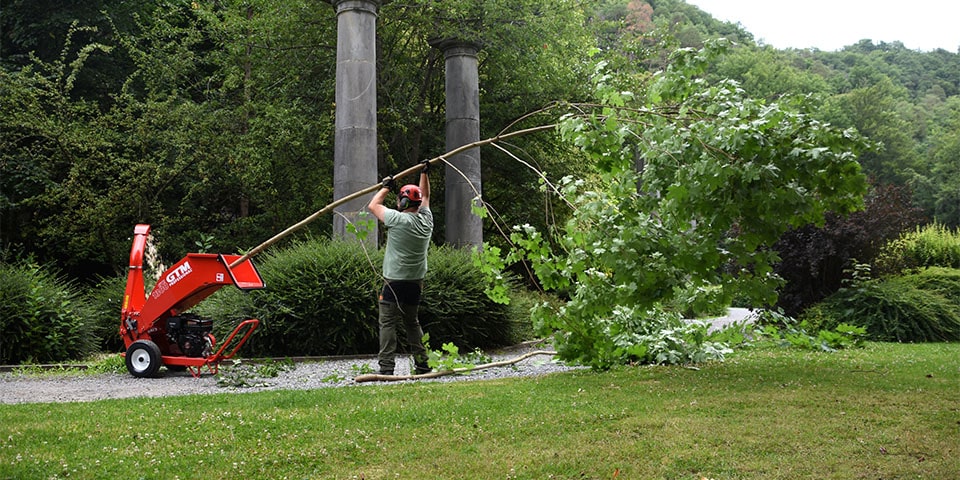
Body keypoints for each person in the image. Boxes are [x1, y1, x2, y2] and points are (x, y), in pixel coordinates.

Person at [366, 159, 434, 376]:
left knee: (387, 323)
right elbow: (427, 197)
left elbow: (373, 206)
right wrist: (424, 173)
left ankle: (386, 368)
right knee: (412, 323)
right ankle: (422, 365)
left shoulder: (396, 219)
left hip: (393, 281)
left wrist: (385, 187)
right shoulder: (426, 220)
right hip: (415, 282)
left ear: (404, 203)